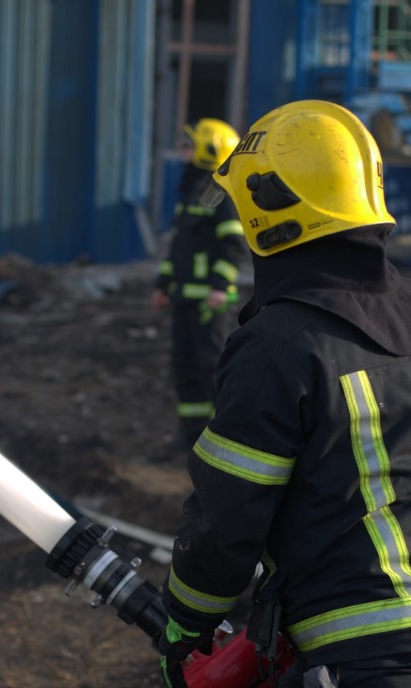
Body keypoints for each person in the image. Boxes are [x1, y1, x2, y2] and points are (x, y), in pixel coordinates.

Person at [153, 99, 411, 688]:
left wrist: (185, 622)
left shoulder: (280, 343)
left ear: (272, 215)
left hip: (376, 628)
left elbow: (227, 515)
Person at [152, 118, 247, 455]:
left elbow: (233, 245)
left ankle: (221, 442)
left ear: (209, 151)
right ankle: (190, 435)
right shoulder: (194, 192)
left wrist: (219, 286)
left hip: (209, 303)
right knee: (185, 367)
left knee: (212, 369)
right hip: (183, 299)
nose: (183, 152)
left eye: (189, 146)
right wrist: (163, 283)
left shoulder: (220, 194)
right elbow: (179, 247)